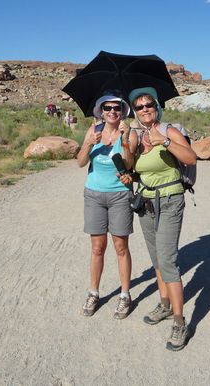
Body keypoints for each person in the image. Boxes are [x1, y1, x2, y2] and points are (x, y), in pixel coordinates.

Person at [127, 86, 197, 351]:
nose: (145, 109)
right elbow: (136, 171)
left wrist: (164, 142)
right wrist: (129, 160)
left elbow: (191, 157)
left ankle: (180, 322)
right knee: (157, 259)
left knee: (168, 262)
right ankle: (165, 305)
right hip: (146, 202)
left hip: (169, 201)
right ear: (135, 112)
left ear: (156, 107)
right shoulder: (135, 135)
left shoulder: (169, 130)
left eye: (149, 105)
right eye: (140, 106)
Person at [77, 92, 134, 319]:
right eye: (108, 108)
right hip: (94, 195)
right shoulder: (94, 131)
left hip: (119, 195)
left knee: (121, 247)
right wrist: (89, 143)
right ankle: (94, 292)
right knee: (97, 248)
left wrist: (127, 139)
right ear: (101, 111)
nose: (112, 111)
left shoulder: (128, 133)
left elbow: (129, 164)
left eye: (117, 108)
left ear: (122, 111)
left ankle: (125, 295)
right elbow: (81, 162)